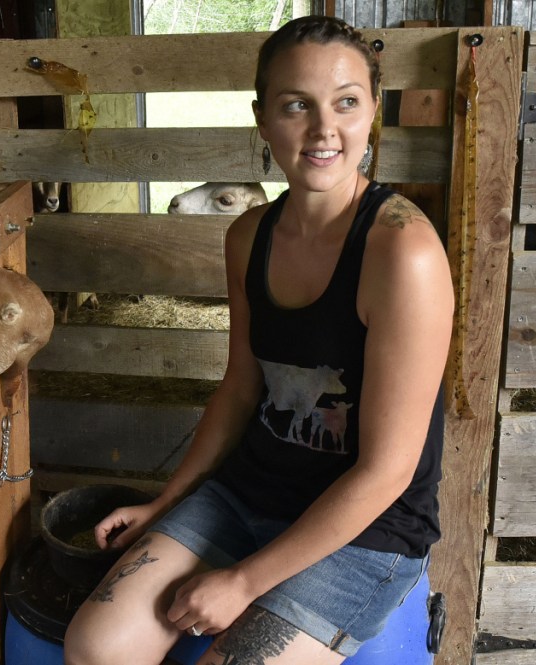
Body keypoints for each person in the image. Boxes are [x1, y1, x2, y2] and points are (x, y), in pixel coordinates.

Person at [63, 15, 453, 665]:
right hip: (247, 494)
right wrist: (167, 499)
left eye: (347, 102)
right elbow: (241, 387)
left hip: (366, 533)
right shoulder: (248, 236)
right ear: (263, 118)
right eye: (297, 105)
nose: (325, 129)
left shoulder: (402, 250)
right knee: (95, 644)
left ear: (372, 111)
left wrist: (243, 582)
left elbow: (387, 471)